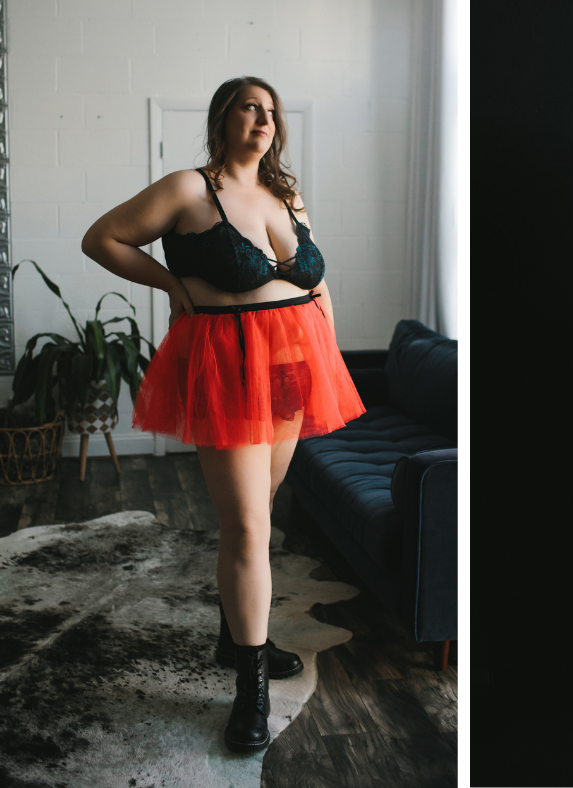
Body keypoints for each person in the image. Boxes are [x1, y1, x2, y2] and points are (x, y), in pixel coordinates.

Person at [81, 76, 366, 753]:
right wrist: (171, 282)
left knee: (259, 513)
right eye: (250, 106)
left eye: (272, 111)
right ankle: (251, 687)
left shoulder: (285, 195)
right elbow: (104, 239)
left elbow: (317, 279)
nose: (264, 119)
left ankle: (235, 633)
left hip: (294, 366)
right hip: (228, 366)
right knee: (245, 528)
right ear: (223, 118)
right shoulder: (187, 189)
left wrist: (330, 345)